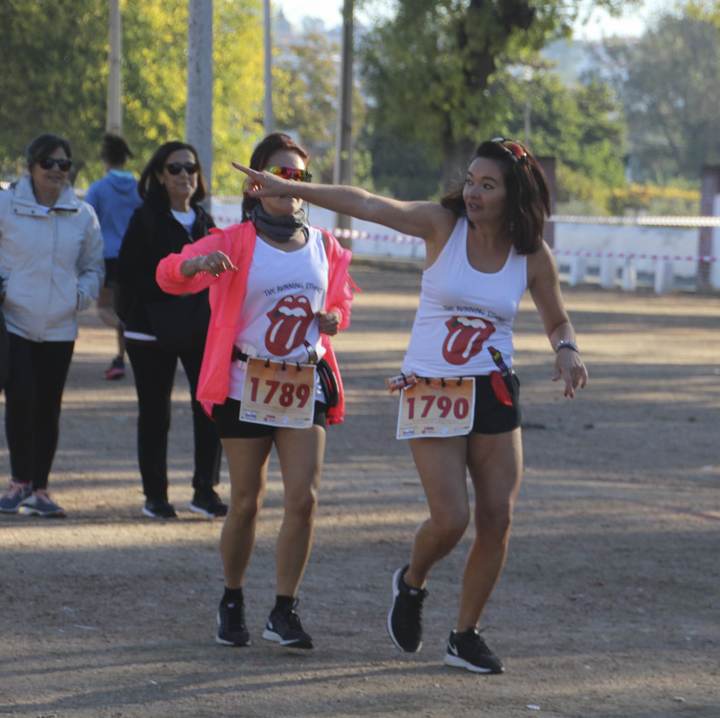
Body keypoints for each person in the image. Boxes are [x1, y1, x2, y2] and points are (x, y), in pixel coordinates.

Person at [234, 137, 588, 674]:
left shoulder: (532, 255)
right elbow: (367, 203)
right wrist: (286, 186)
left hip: (493, 388)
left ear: (514, 193)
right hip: (432, 389)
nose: (472, 192)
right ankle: (412, 581)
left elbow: (556, 319)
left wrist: (566, 350)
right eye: (470, 180)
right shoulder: (442, 226)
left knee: (498, 518)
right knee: (451, 519)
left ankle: (464, 635)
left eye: (487, 185)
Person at [156, 133, 356, 649]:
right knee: (245, 501)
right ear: (254, 182)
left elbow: (340, 303)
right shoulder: (231, 241)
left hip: (303, 382)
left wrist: (336, 318)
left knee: (304, 499)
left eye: (297, 177)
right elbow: (167, 273)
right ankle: (232, 598)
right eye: (277, 175)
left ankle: (284, 611)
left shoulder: (326, 246)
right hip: (244, 384)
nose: (288, 185)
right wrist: (196, 265)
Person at [0, 133, 104, 518]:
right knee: (21, 399)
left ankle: (41, 489)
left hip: (60, 327)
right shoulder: (6, 203)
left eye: (64, 165)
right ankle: (18, 484)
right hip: (14, 321)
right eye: (48, 163)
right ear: (31, 166)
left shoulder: (82, 213)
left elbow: (93, 267)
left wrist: (79, 296)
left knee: (48, 407)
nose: (56, 171)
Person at [116, 141, 225, 519]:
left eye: (190, 168)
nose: (184, 176)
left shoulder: (205, 222)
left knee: (211, 407)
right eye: (175, 168)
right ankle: (155, 496)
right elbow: (128, 274)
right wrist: (171, 289)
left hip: (199, 327)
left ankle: (205, 491)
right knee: (155, 413)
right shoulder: (145, 218)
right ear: (159, 175)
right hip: (150, 329)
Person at [85, 133, 141, 380]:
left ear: (104, 159)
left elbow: (87, 222)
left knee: (106, 308)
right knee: (126, 309)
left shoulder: (98, 188)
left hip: (107, 256)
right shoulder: (141, 188)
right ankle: (120, 359)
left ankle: (124, 332)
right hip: (135, 256)